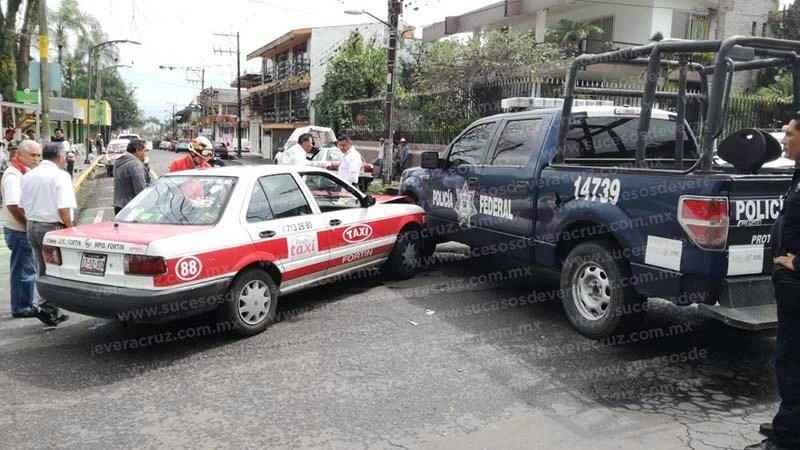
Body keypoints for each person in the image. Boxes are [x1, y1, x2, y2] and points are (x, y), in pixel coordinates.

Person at [745, 118, 800, 450]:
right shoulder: (797, 174)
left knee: (792, 360)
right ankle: (787, 422)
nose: (783, 137)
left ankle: (789, 439)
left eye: (791, 133)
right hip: (790, 284)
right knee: (787, 357)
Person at [20, 142, 75, 326]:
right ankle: (51, 308)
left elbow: (22, 205)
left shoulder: (29, 175)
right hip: (52, 227)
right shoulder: (61, 176)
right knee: (57, 269)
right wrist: (70, 229)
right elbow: (63, 208)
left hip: (32, 225)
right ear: (59, 157)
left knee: (41, 267)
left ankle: (47, 307)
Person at [2, 141, 41, 318]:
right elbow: (13, 205)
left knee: (27, 267)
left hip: (21, 228)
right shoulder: (13, 176)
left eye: (38, 155)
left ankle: (25, 303)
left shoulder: (24, 172)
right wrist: (28, 225)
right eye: (33, 155)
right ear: (20, 155)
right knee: (23, 269)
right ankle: (21, 306)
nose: (37, 159)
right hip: (19, 230)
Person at [113, 139, 148, 215]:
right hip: (131, 207)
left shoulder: (119, 161)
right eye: (144, 151)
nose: (145, 154)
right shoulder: (135, 164)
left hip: (118, 206)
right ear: (137, 150)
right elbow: (140, 189)